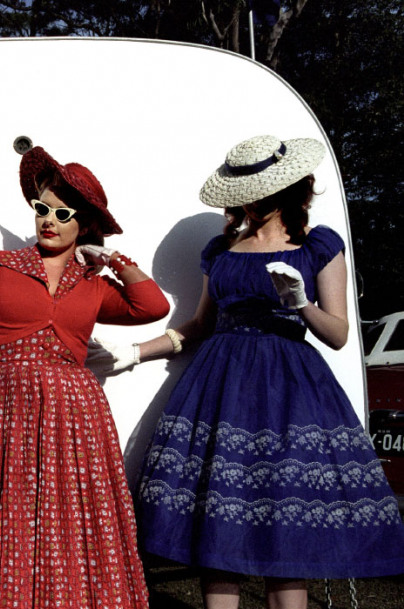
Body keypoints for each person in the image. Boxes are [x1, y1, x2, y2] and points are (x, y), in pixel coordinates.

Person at [106, 135, 404, 609]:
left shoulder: (317, 245)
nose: (250, 199)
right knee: (218, 526)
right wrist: (136, 350)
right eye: (244, 190)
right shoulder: (222, 249)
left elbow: (339, 333)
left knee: (284, 530)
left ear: (288, 188)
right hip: (219, 391)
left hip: (289, 392)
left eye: (261, 188)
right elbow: (201, 324)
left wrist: (300, 303)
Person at [0, 146, 170, 609]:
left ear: (82, 224)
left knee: (67, 521)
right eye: (41, 208)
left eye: (62, 213)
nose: (48, 220)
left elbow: (153, 306)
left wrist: (112, 258)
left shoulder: (92, 284)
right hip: (0, 413)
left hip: (74, 420)